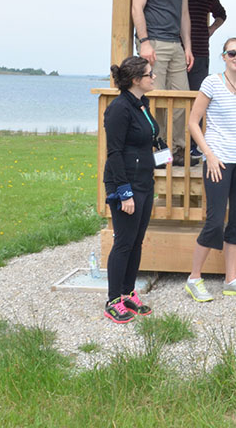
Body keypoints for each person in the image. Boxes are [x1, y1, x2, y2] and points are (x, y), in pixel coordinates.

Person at [185, 37, 236, 302]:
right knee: (215, 221)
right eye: (232, 53)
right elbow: (193, 123)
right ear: (224, 56)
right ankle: (194, 278)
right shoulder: (211, 83)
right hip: (218, 161)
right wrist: (209, 155)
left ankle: (231, 279)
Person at [101, 56, 162, 323]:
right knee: (123, 242)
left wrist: (163, 153)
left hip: (144, 181)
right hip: (125, 183)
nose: (154, 77)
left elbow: (149, 136)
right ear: (137, 80)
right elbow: (114, 153)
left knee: (136, 240)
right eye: (151, 74)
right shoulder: (119, 109)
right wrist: (124, 192)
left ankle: (128, 293)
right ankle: (113, 299)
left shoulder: (141, 105)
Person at [132, 0, 195, 166]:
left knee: (182, 100)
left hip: (176, 45)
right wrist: (144, 42)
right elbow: (137, 7)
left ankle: (178, 150)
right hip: (153, 43)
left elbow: (184, 14)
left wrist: (187, 47)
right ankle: (158, 153)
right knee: (155, 101)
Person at [186, 0, 227, 160]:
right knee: (176, 97)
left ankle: (195, 145)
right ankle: (175, 144)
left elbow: (222, 14)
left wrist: (211, 29)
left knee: (198, 99)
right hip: (179, 50)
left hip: (201, 52)